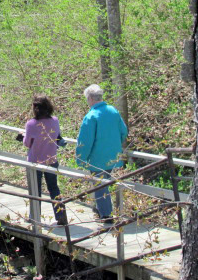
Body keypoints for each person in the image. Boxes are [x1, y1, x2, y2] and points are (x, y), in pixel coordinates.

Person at [76, 84, 128, 224]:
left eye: (87, 99)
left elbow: (85, 141)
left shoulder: (91, 116)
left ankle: (106, 216)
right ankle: (100, 210)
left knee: (100, 186)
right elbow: (123, 131)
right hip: (113, 156)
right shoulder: (113, 111)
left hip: (97, 158)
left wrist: (80, 159)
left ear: (91, 99)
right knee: (104, 184)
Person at [23, 95, 68, 227]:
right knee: (54, 188)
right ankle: (61, 216)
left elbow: (27, 144)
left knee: (35, 190)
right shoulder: (54, 120)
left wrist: (24, 135)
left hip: (35, 161)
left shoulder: (31, 124)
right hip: (51, 159)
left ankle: (35, 217)